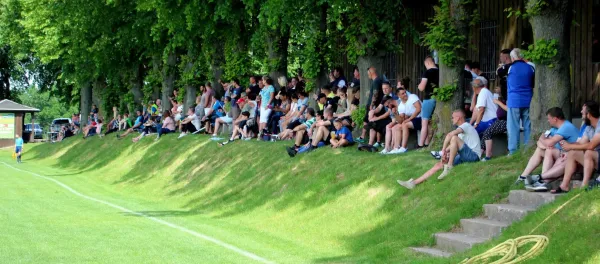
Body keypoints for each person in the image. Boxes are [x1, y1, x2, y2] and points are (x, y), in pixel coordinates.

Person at [397, 109, 481, 189]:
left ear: (458, 117)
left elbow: (450, 136)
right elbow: (453, 145)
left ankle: (449, 167)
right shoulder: (462, 131)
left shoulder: (465, 125)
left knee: (454, 138)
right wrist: (445, 154)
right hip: (465, 156)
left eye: (452, 117)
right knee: (439, 164)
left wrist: (443, 151)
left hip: (474, 157)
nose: (451, 119)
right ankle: (414, 183)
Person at [515, 107, 579, 186]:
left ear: (555, 119)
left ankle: (542, 180)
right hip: (561, 152)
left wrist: (544, 141)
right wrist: (544, 144)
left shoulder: (566, 127)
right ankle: (524, 176)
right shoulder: (553, 129)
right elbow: (539, 142)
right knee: (540, 150)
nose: (548, 121)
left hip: (570, 155)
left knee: (549, 150)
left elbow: (547, 141)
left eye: (549, 119)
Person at [550, 101, 600, 193]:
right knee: (572, 152)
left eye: (583, 111)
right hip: (597, 160)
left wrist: (570, 146)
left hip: (597, 158)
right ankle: (564, 186)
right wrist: (569, 148)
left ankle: (584, 186)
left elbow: (591, 145)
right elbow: (581, 143)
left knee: (589, 152)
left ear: (589, 115)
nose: (581, 112)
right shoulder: (589, 127)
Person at [507, 48, 535, 155]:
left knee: (513, 126)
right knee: (528, 125)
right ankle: (528, 149)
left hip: (514, 101)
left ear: (513, 58)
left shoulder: (511, 68)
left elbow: (502, 76)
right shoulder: (529, 67)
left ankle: (513, 151)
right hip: (528, 99)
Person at [480, 87, 509, 160]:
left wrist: (498, 102)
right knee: (485, 133)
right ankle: (480, 153)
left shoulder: (510, 97)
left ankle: (488, 156)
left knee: (488, 132)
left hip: (506, 121)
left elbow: (508, 109)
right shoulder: (503, 97)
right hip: (500, 120)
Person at [417, 56, 439, 148]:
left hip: (428, 99)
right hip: (438, 98)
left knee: (425, 122)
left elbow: (421, 87)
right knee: (431, 122)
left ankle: (421, 144)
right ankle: (427, 143)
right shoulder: (440, 71)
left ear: (428, 63)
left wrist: (419, 85)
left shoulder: (428, 72)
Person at [357, 67, 384, 143]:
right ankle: (363, 137)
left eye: (368, 73)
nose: (367, 75)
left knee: (373, 121)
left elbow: (376, 93)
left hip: (374, 105)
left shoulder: (376, 81)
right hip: (372, 105)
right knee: (366, 119)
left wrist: (372, 104)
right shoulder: (376, 81)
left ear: (371, 73)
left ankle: (376, 141)